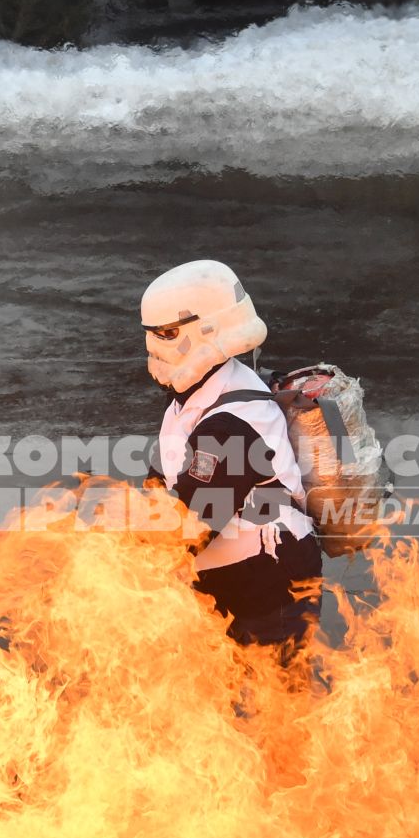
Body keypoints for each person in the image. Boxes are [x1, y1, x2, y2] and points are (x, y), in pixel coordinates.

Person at [141, 259, 321, 654]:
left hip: (269, 582)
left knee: (276, 707)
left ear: (206, 330)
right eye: (154, 333)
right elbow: (159, 488)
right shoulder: (190, 400)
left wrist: (101, 560)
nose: (155, 345)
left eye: (167, 333)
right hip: (229, 580)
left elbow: (189, 524)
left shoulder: (233, 422)